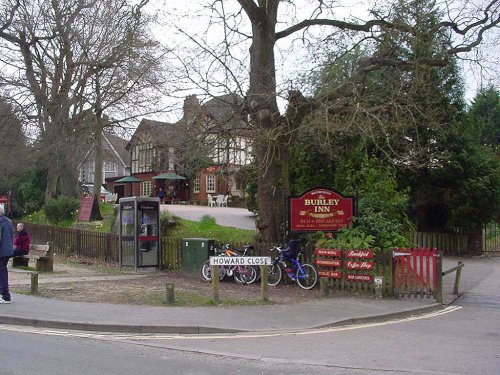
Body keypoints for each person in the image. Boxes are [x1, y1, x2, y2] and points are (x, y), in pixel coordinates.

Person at [0, 204, 14, 304]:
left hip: (1, 251)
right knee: (3, 272)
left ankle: (5, 295)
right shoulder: (9, 221)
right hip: (7, 251)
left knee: (2, 273)